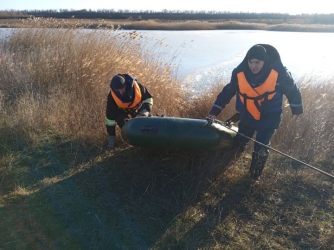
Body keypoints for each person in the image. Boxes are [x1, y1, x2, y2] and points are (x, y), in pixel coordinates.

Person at [208, 44, 303, 182]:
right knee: (240, 141)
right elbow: (227, 92)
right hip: (247, 115)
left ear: (264, 62)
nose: (253, 66)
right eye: (251, 62)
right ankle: (231, 159)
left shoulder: (279, 74)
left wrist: (297, 110)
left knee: (261, 146)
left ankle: (254, 176)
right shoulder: (239, 73)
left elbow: (293, 91)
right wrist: (214, 111)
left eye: (257, 62)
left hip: (270, 117)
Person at [105, 74, 153, 149]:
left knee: (144, 122)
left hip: (139, 108)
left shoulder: (137, 86)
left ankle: (147, 140)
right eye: (118, 90)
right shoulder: (112, 96)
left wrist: (145, 111)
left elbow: (148, 98)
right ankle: (133, 139)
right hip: (123, 111)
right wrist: (111, 139)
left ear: (126, 86)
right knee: (120, 118)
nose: (120, 92)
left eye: (122, 89)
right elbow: (110, 118)